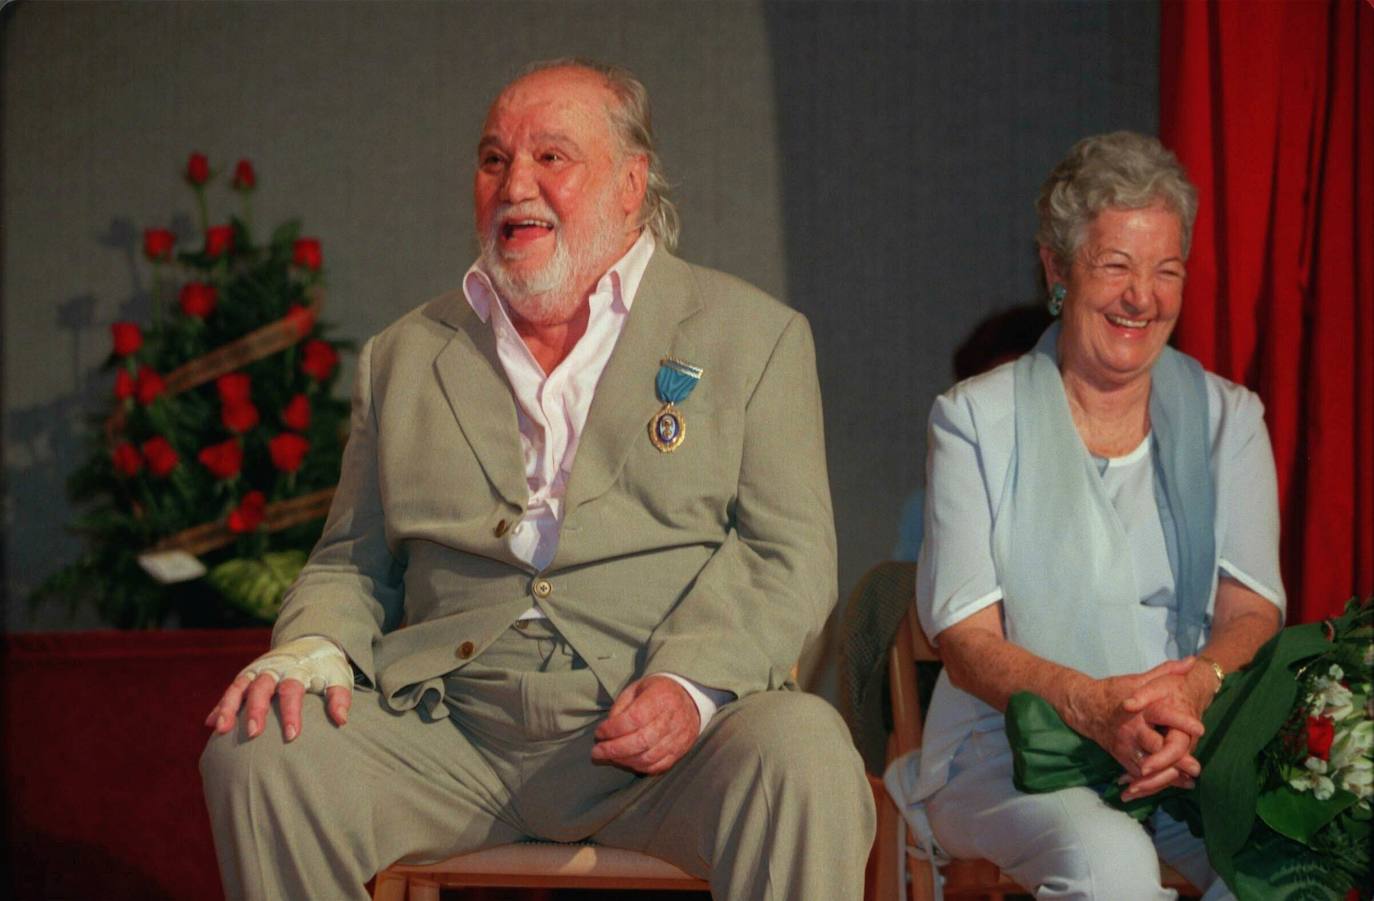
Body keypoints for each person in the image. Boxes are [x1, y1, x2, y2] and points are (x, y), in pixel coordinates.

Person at [199, 59, 874, 901]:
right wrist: (309, 648)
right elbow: (350, 560)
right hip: (449, 734)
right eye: (493, 160)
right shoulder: (404, 354)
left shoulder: (754, 336)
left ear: (632, 182)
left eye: (552, 157)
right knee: (258, 753)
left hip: (664, 745)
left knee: (805, 753)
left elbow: (789, 552)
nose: (516, 184)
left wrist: (691, 684)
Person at [901, 132, 1284, 899]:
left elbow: (1253, 607)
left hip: (1182, 747)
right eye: (1116, 264)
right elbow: (968, 642)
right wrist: (1095, 708)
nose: (1142, 295)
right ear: (1057, 267)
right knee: (1109, 862)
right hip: (1009, 749)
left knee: (1286, 860)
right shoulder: (973, 419)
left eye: (1165, 269)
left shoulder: (1228, 417)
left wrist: (1196, 688)